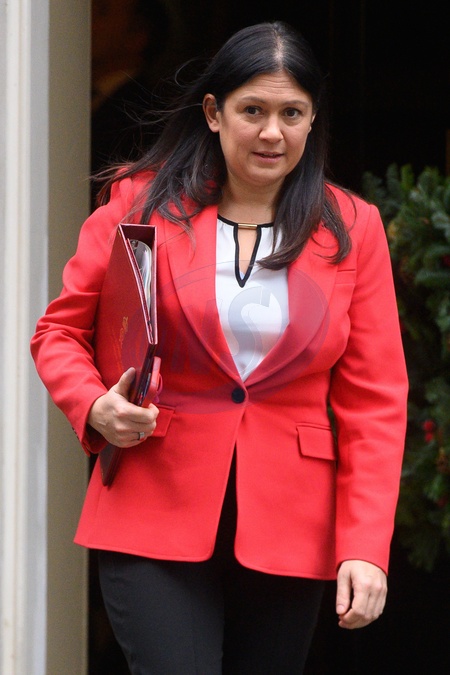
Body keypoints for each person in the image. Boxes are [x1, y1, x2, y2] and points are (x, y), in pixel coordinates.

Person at [30, 20, 408, 674]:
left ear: (313, 120)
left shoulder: (353, 228)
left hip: (292, 525)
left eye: (292, 113)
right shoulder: (139, 203)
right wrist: (93, 405)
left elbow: (375, 402)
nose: (272, 132)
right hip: (153, 506)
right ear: (213, 112)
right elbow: (59, 332)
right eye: (252, 110)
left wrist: (365, 546)